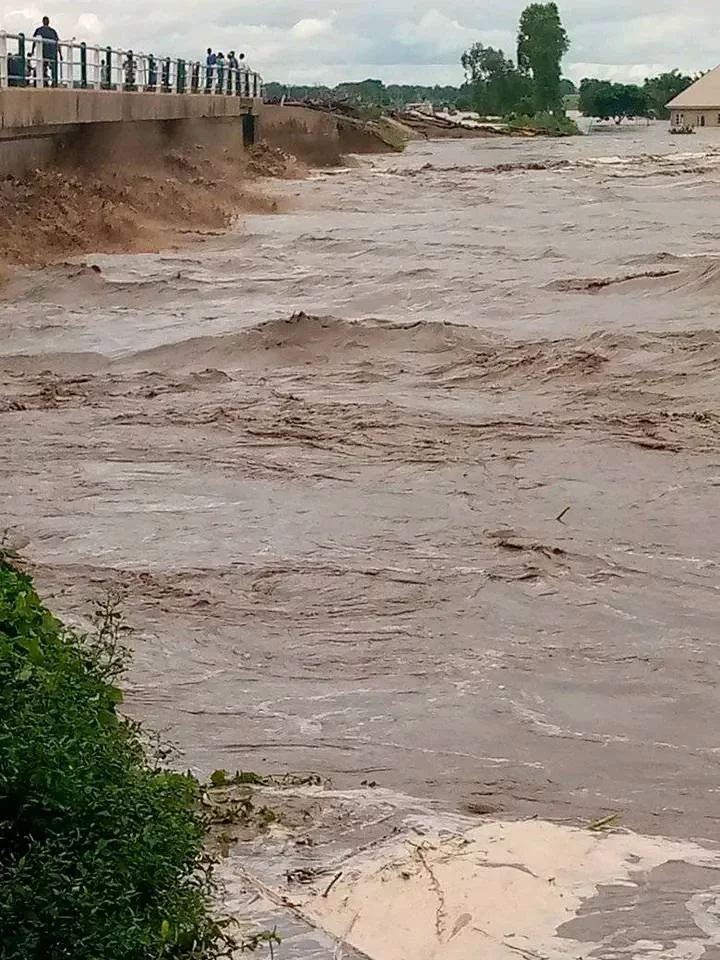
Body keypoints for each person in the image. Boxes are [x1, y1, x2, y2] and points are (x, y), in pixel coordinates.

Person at [31, 16, 62, 88]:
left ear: (43, 21)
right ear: (48, 22)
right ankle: (53, 83)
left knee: (42, 67)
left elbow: (34, 41)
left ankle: (41, 83)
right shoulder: (53, 31)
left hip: (43, 52)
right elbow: (57, 43)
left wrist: (32, 51)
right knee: (52, 69)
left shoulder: (39, 30)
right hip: (52, 53)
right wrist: (60, 54)